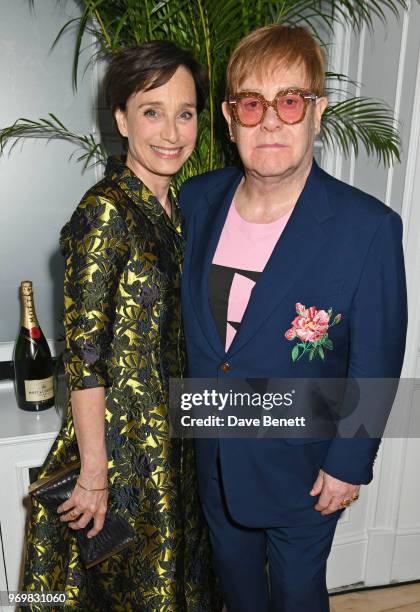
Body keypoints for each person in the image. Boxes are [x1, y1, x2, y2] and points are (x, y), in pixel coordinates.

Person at [180, 25, 407, 611]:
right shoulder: (195, 202)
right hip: (212, 455)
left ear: (317, 113)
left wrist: (349, 464)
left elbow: (377, 356)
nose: (271, 122)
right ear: (230, 120)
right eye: (252, 104)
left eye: (290, 101)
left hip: (305, 467)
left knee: (298, 595)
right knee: (237, 589)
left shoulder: (368, 228)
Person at [21, 41, 221, 611]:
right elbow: (84, 357)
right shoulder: (104, 211)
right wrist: (94, 472)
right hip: (125, 456)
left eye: (185, 113)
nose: (172, 132)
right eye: (151, 111)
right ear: (120, 119)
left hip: (179, 442)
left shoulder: (180, 210)